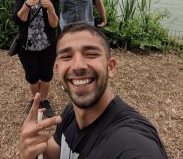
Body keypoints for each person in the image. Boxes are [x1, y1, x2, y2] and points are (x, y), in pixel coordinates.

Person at [19, 22, 168, 159]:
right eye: (66, 56)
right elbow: (54, 153)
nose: (78, 65)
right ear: (58, 69)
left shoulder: (132, 143)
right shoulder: (71, 113)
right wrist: (31, 150)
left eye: (91, 54)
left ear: (110, 67)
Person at [13, 0, 59, 118]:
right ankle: (35, 100)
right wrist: (26, 5)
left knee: (46, 76)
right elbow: (18, 21)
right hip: (27, 44)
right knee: (32, 77)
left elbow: (54, 25)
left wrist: (51, 8)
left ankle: (44, 101)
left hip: (47, 44)